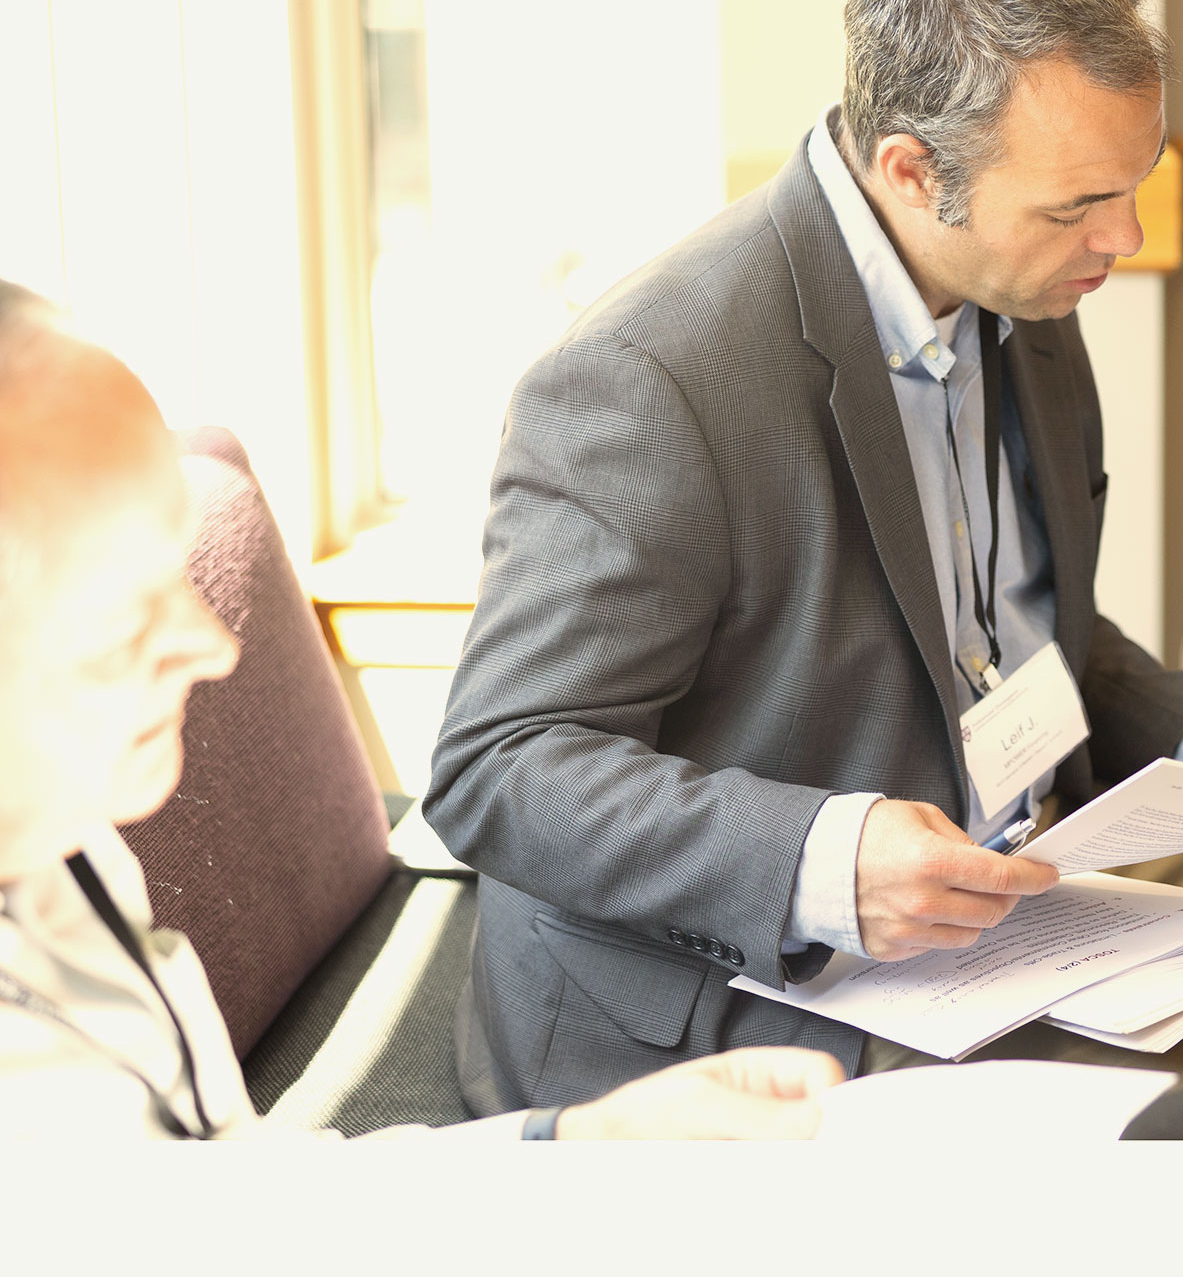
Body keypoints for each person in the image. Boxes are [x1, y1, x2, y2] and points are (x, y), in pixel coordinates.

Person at [426, 0, 1183, 1139]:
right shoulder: (647, 380)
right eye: (1077, 207)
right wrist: (828, 858)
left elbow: (1029, 636)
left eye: (1133, 184)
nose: (1126, 239)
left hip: (1004, 875)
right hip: (758, 961)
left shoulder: (1017, 289)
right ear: (911, 170)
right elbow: (499, 766)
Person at [0, 280, 845, 1139]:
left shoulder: (63, 844)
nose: (215, 649)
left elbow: (223, 1184)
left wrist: (585, 1144)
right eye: (118, 609)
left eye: (176, 570)